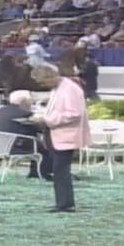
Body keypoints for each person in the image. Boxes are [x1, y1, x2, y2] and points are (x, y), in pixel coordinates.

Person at [29, 66, 91, 213]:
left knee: (61, 171)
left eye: (44, 83)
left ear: (51, 76)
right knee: (58, 171)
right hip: (57, 135)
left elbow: (74, 114)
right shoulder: (59, 88)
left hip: (66, 135)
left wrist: (48, 119)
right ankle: (63, 202)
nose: (43, 86)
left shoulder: (70, 89)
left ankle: (65, 204)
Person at [0, 90, 53, 180]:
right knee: (46, 148)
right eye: (30, 100)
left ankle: (35, 172)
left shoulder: (2, 111)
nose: (31, 103)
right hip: (16, 146)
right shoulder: (24, 113)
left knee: (37, 145)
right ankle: (43, 173)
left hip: (0, 146)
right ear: (23, 101)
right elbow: (37, 128)